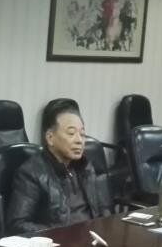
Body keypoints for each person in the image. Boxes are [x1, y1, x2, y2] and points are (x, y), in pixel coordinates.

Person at [6, 100, 112, 234]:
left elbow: (102, 209)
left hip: (91, 239)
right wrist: (58, 233)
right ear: (50, 138)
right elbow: (17, 224)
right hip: (59, 243)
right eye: (71, 133)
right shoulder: (31, 173)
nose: (79, 140)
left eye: (82, 134)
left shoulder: (86, 166)